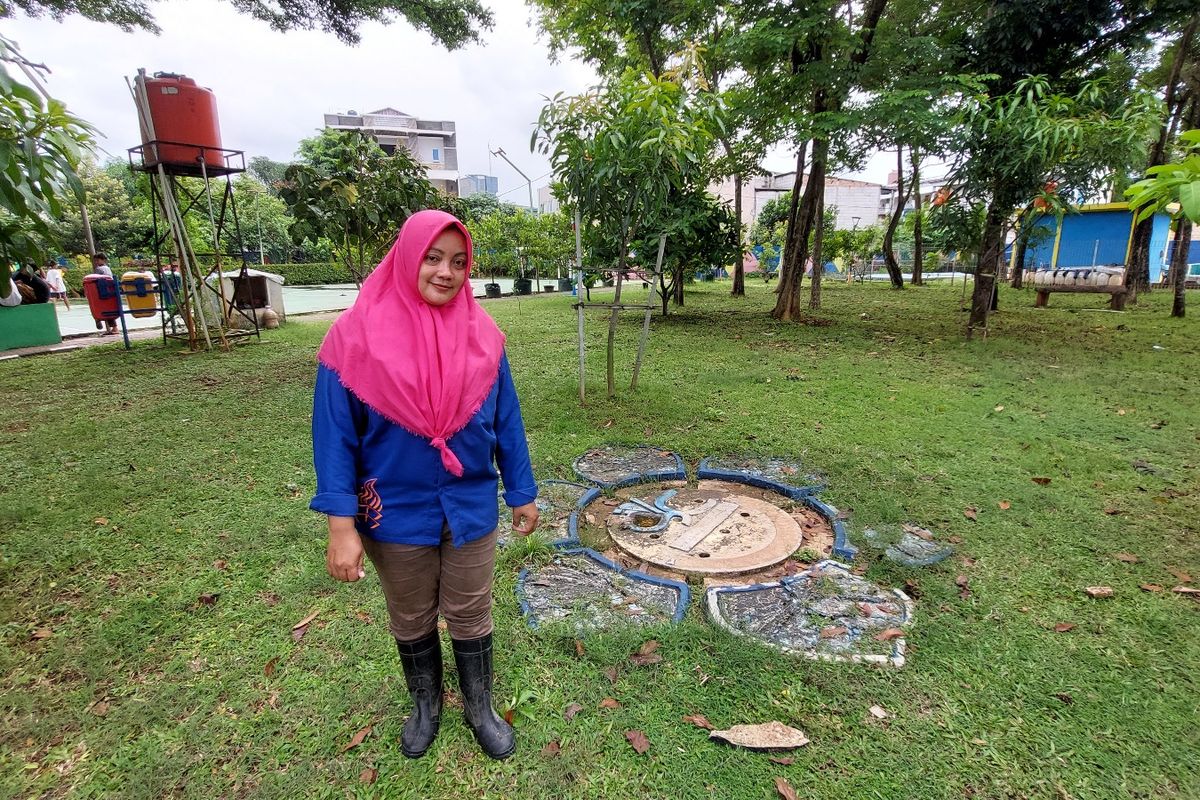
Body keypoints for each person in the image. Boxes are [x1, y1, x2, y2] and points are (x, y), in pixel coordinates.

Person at [310, 209, 539, 761]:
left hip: (470, 503)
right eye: (433, 258)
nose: (446, 272)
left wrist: (523, 491)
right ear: (406, 258)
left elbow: (505, 419)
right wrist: (342, 526)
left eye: (459, 262)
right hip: (394, 509)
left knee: (470, 610)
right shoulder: (352, 338)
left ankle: (479, 707)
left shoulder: (484, 337)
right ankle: (426, 705)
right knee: (411, 613)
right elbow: (335, 437)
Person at [91, 253, 118, 334]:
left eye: (97, 260)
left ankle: (98, 320)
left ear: (103, 260)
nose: (96, 262)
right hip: (109, 290)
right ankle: (113, 327)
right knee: (108, 309)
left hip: (102, 290)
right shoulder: (107, 268)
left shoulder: (99, 269)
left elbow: (96, 279)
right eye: (95, 260)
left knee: (101, 308)